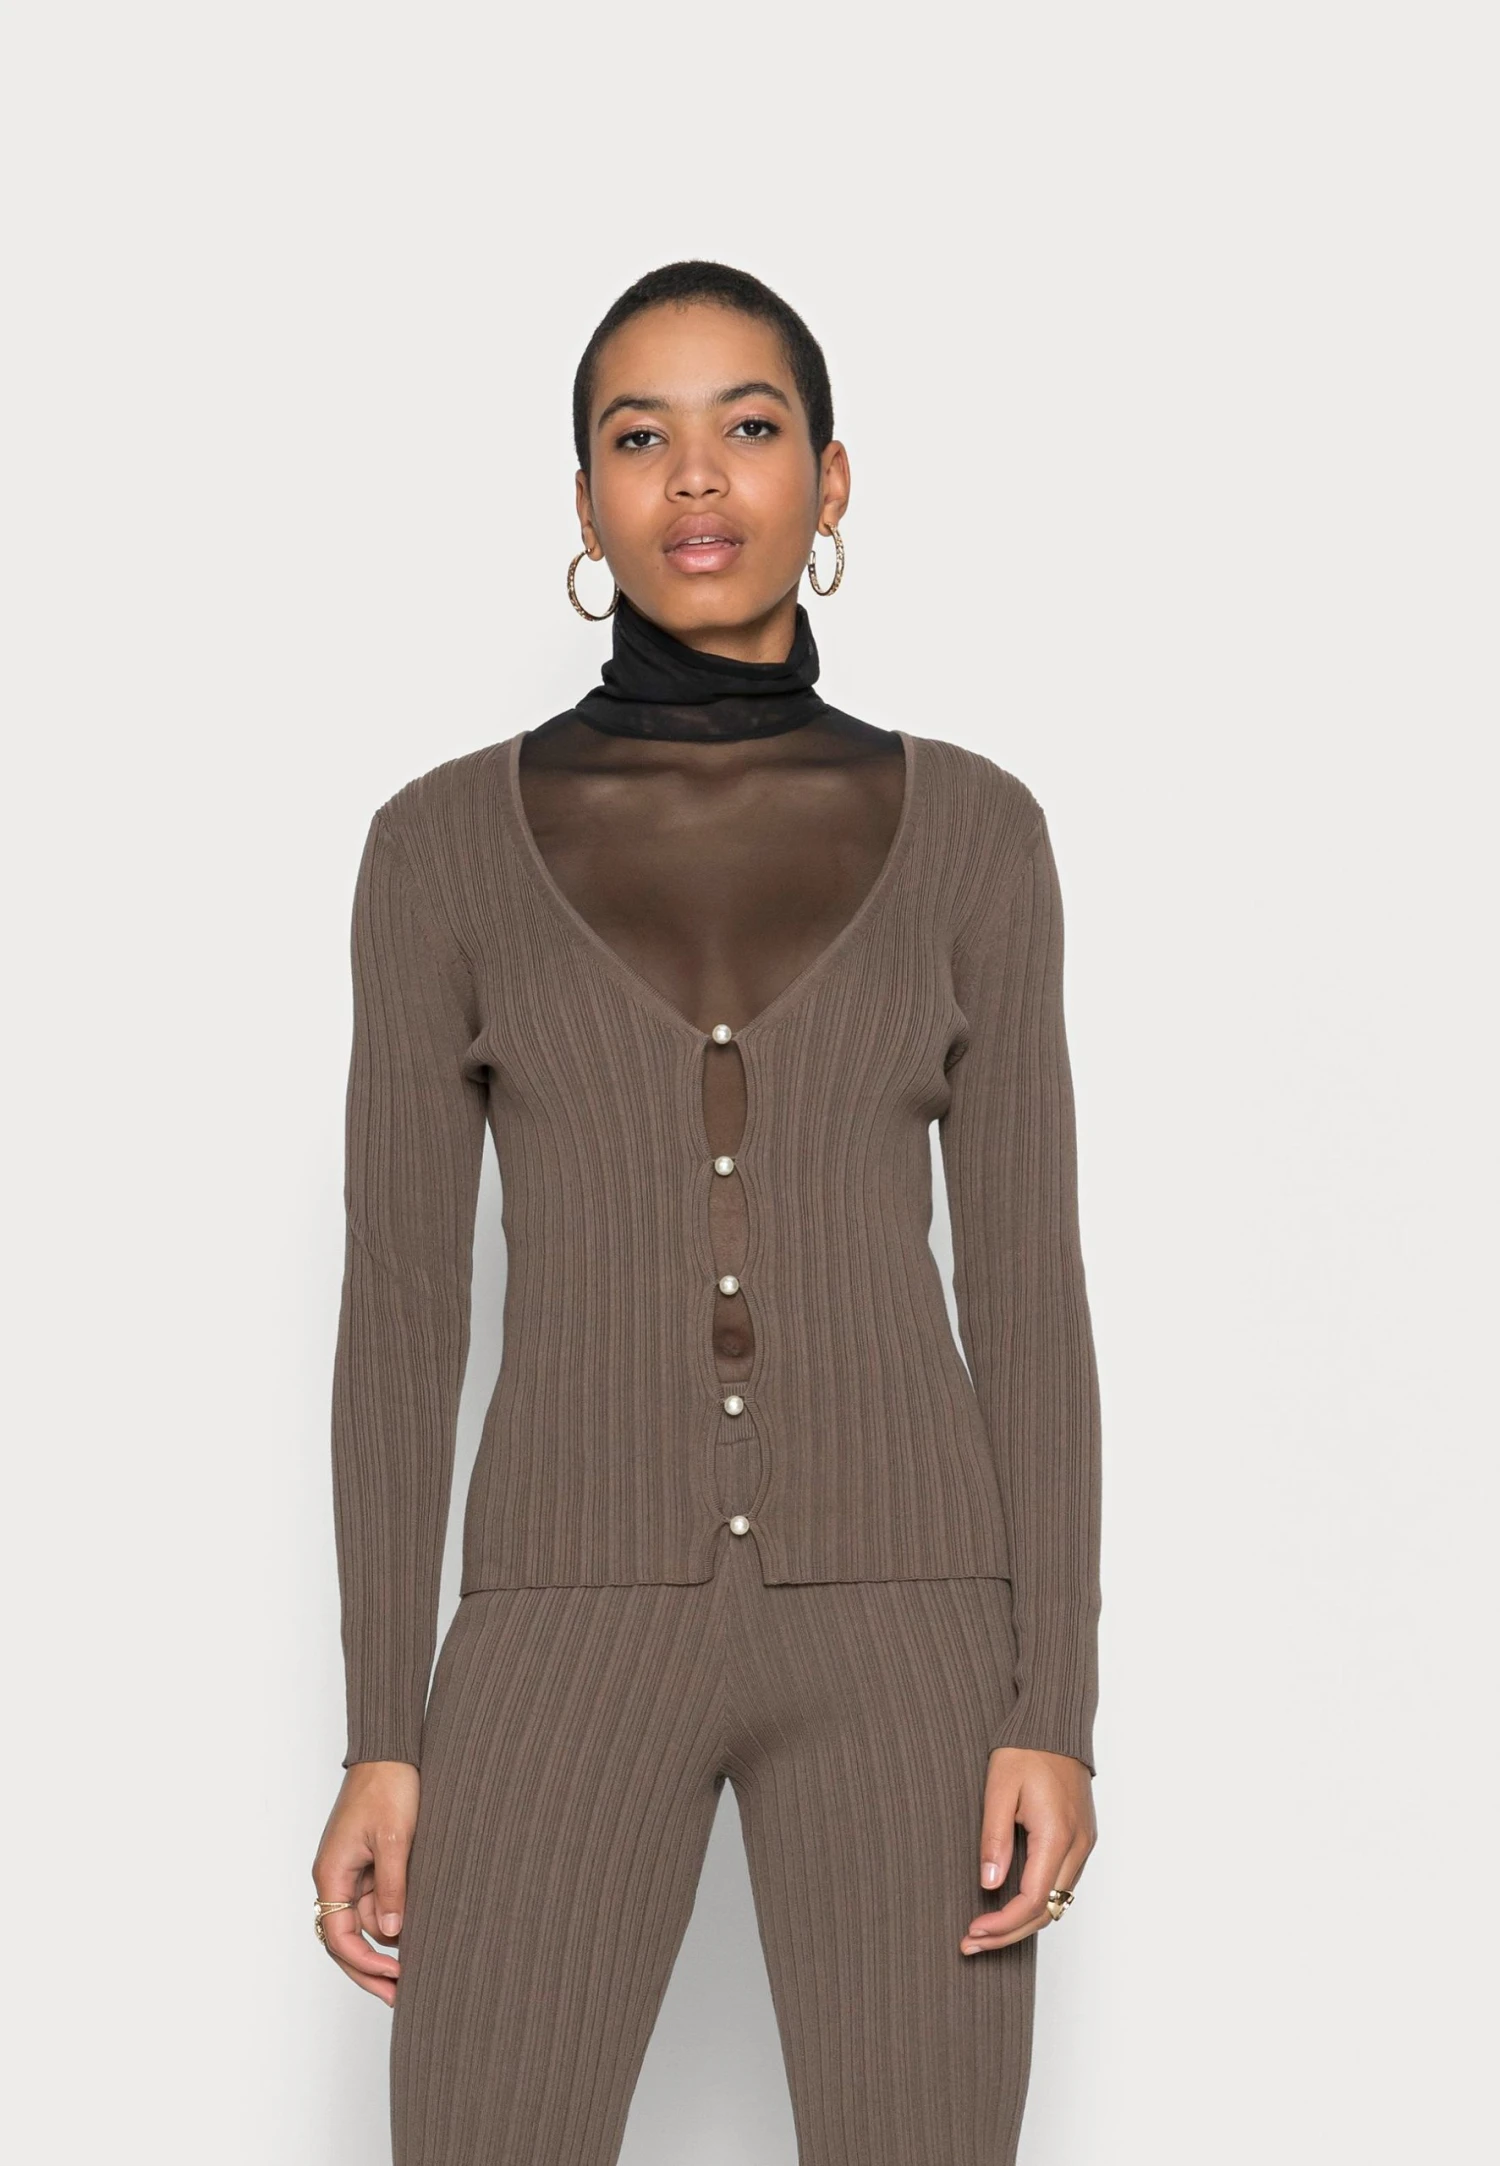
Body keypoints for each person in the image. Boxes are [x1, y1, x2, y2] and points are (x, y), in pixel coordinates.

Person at [311, 258, 1102, 2166]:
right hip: (563, 1615)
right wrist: (385, 1727)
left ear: (831, 480)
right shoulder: (438, 848)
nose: (695, 476)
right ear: (584, 501)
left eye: (749, 426)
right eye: (637, 435)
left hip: (910, 1630)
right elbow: (401, 1306)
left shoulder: (977, 833)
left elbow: (1027, 1288)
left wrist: (1054, 1705)